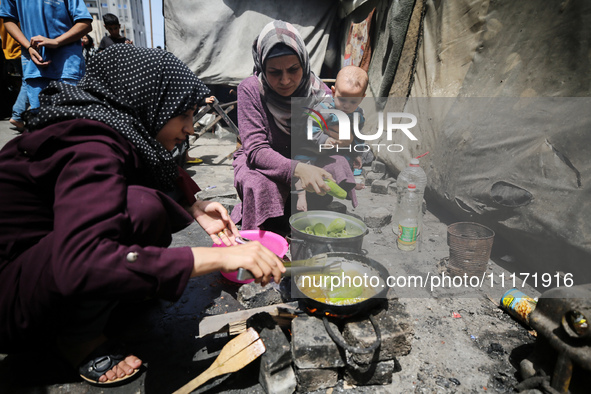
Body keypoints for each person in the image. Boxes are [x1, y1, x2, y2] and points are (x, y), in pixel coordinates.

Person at [0, 45, 284, 386]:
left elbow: (151, 174)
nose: (191, 129)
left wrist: (192, 205)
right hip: (10, 303)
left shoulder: (107, 126)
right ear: (150, 101)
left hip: (34, 276)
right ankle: (78, 338)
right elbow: (80, 260)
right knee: (140, 208)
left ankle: (105, 305)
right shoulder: (90, 145)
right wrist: (217, 257)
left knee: (145, 202)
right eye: (185, 114)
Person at [231, 20, 356, 236]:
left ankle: (310, 213)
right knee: (256, 182)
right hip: (264, 161)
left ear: (304, 63)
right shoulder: (250, 90)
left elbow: (331, 136)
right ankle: (269, 228)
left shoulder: (318, 93)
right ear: (262, 67)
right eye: (274, 72)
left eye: (293, 69)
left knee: (338, 164)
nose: (285, 80)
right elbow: (256, 151)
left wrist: (342, 138)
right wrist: (298, 169)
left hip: (304, 155)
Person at [295, 65, 368, 211]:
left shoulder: (357, 115)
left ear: (362, 99)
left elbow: (357, 135)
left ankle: (347, 185)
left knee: (345, 162)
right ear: (334, 92)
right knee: (301, 165)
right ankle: (300, 196)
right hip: (310, 148)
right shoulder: (325, 108)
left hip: (332, 150)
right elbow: (311, 124)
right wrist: (323, 139)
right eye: (342, 99)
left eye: (353, 102)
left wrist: (356, 153)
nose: (346, 105)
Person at [0, 0, 92, 114]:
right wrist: (28, 46)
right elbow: (8, 20)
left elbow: (85, 23)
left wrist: (56, 42)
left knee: (71, 118)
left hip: (67, 65)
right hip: (35, 66)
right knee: (41, 121)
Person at [0, 16, 28, 131]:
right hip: (22, 47)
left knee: (27, 80)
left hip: (10, 50)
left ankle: (19, 114)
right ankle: (18, 114)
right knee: (31, 80)